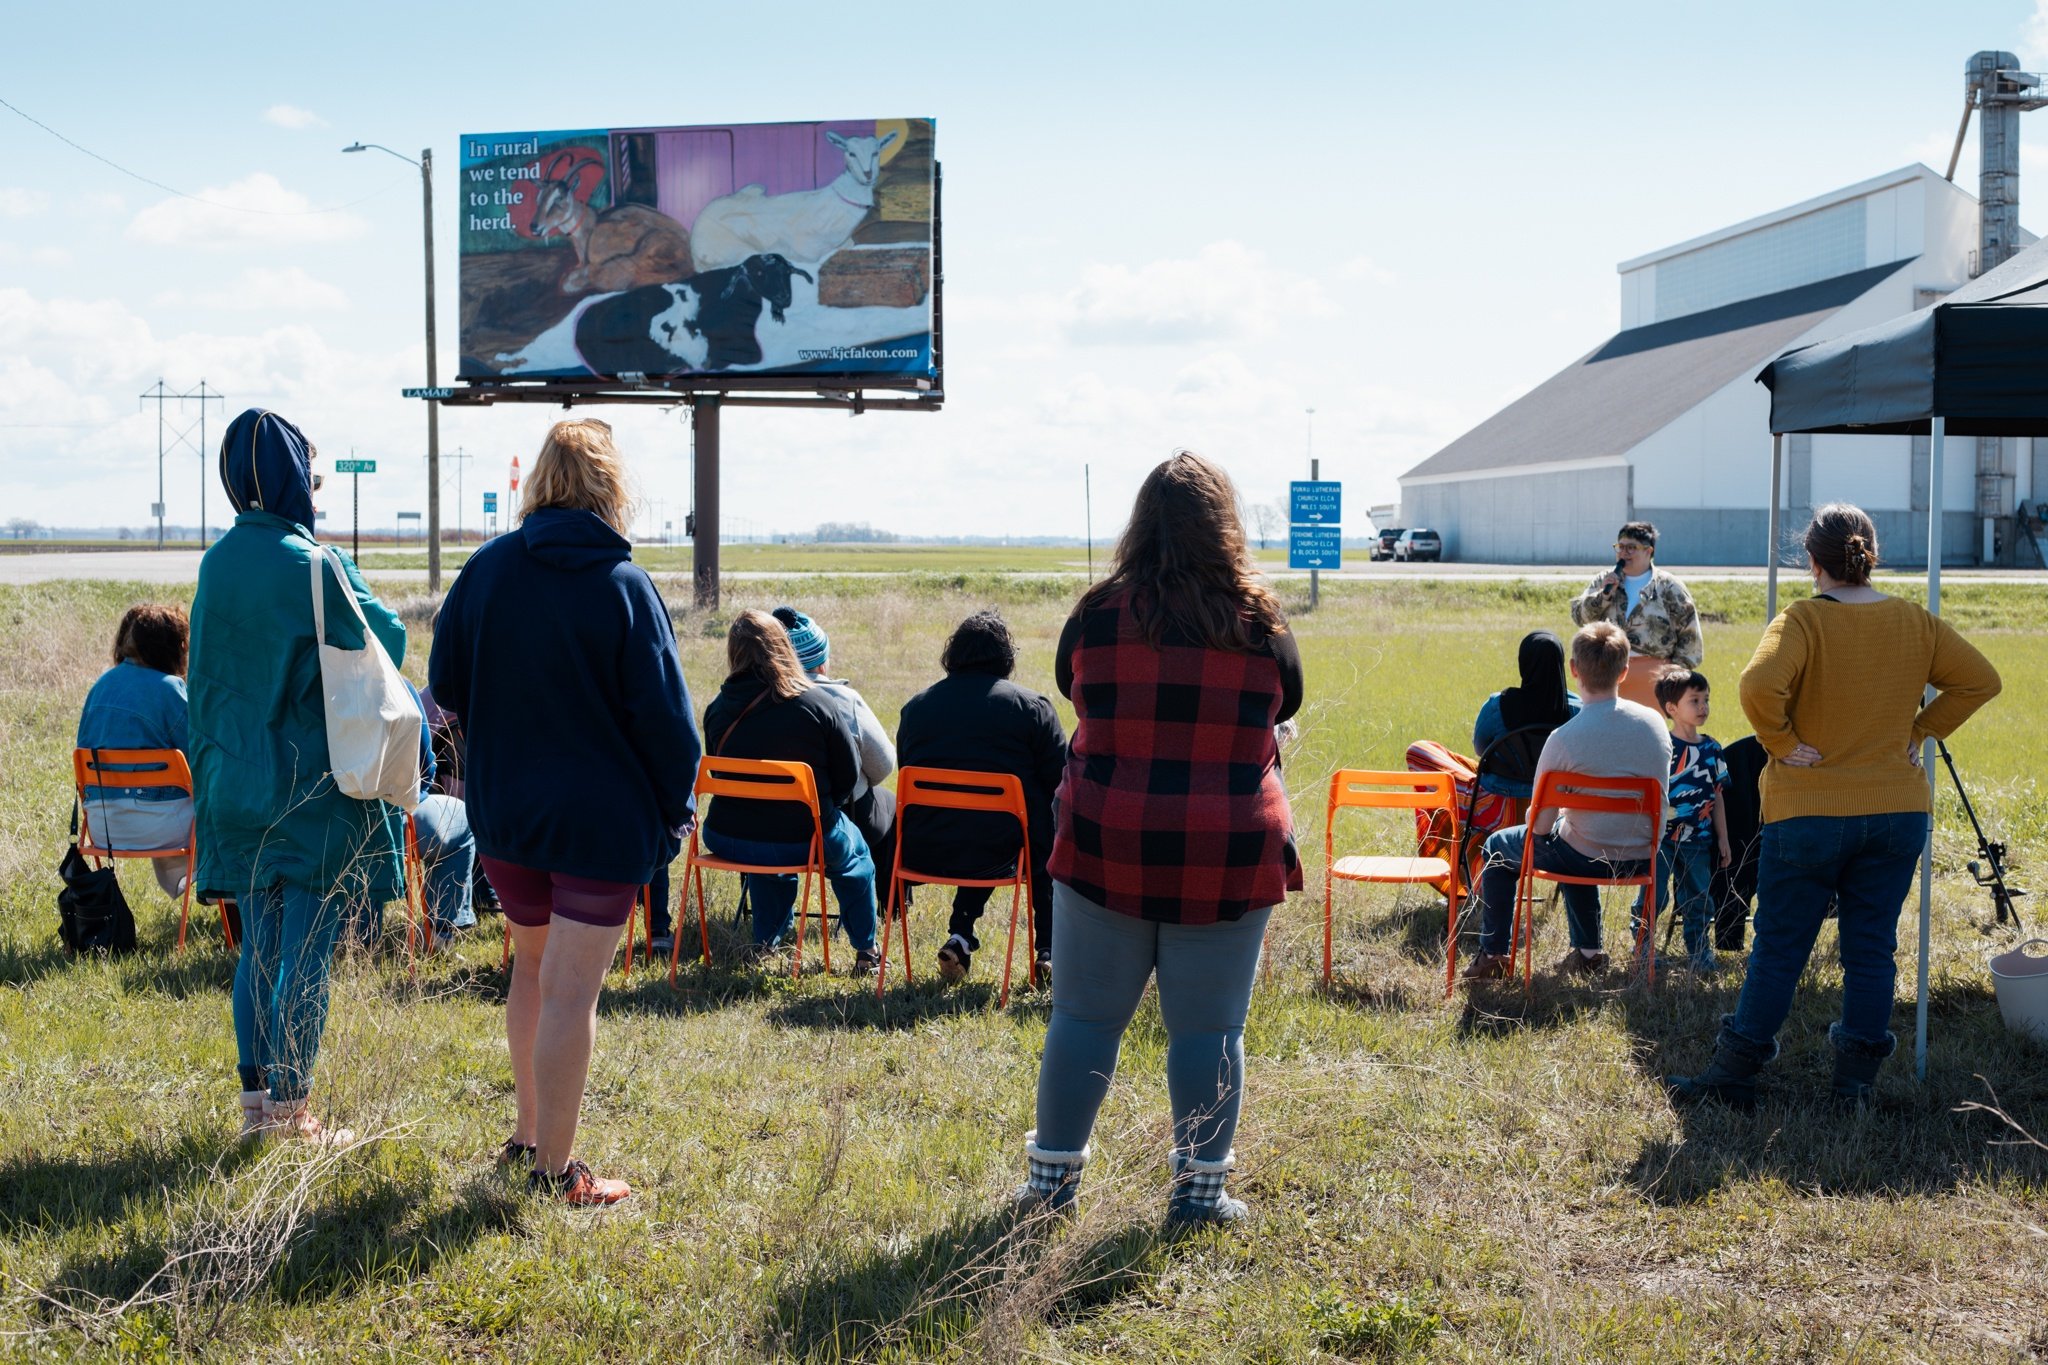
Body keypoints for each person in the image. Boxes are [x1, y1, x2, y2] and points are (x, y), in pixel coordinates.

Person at [1019, 451, 1302, 1227]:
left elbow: (1069, 680)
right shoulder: (1263, 622)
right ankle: (1198, 1196)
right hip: (1227, 844)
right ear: (1225, 526)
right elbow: (1289, 701)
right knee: (1210, 1029)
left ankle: (1050, 1190)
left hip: (1109, 835)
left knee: (1083, 1016)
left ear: (1140, 525)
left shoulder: (1097, 611)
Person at [430, 418, 701, 1205]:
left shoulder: (485, 569)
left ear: (539, 481)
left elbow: (445, 685)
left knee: (533, 969)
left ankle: (526, 1134)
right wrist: (675, 812)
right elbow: (670, 724)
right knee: (573, 993)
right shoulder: (626, 584)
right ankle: (556, 1170)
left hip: (508, 814)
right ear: (613, 488)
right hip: (600, 825)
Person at [1669, 504, 2000, 1109]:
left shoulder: (1801, 620)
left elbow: (1755, 686)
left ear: (1813, 563)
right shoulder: (1915, 623)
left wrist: (1783, 744)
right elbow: (1981, 680)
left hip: (1809, 810)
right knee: (1871, 950)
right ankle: (1853, 1090)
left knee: (1778, 948)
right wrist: (1920, 731)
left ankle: (1733, 1076)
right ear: (1870, 555)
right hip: (1897, 810)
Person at [190, 409, 406, 1146]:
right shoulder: (317, 563)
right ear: (292, 481)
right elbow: (391, 641)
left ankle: (256, 1109)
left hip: (232, 784)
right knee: (307, 951)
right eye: (311, 476)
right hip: (310, 787)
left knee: (257, 948)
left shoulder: (215, 564)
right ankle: (294, 1112)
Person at [1460, 622, 1672, 982]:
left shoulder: (1564, 738)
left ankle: (1495, 954)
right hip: (1644, 855)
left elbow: (1540, 826)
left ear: (1574, 669)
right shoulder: (1654, 724)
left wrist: (1538, 814)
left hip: (1585, 855)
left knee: (1509, 844)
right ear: (1623, 671)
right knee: (1573, 831)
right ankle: (1588, 953)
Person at [700, 610, 880, 972]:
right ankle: (867, 952)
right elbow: (846, 778)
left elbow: (718, 767)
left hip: (726, 835)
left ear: (733, 653)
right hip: (805, 836)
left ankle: (765, 944)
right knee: (857, 859)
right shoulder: (817, 705)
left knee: (770, 859)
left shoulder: (717, 710)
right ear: (784, 648)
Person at [894, 609, 1067, 985]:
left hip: (925, 848)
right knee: (1038, 826)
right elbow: (1061, 783)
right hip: (1004, 847)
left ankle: (961, 936)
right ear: (1006, 657)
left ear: (953, 655)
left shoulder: (915, 709)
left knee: (988, 821)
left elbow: (905, 771)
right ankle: (1050, 950)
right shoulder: (1032, 708)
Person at [773, 605, 898, 916]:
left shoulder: (758, 699)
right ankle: (890, 907)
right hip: (837, 821)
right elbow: (882, 765)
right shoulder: (844, 700)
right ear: (822, 663)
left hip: (765, 822)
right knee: (891, 804)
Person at [74, 604, 194, 899]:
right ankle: (232, 901)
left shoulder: (99, 688)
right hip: (165, 828)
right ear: (172, 648)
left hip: (102, 829)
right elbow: (201, 762)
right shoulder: (171, 688)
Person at [1638, 667, 1731, 975]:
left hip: (1698, 840)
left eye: (1706, 699)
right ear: (1672, 708)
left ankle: (1700, 954)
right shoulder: (1660, 747)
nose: (1703, 706)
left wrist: (1723, 838)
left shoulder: (1712, 749)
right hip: (1662, 838)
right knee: (1654, 895)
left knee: (1699, 898)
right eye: (1695, 700)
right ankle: (1643, 950)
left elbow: (1717, 796)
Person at [1569, 522, 1703, 710]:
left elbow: (1691, 637)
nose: (1624, 553)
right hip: (1605, 675)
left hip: (1654, 680)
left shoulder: (1669, 587)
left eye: (1631, 548)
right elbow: (1580, 618)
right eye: (1620, 547)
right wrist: (1604, 595)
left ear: (1649, 551)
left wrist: (1672, 676)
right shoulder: (1603, 580)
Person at [1470, 629, 1581, 800]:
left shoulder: (1497, 705)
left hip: (1500, 796)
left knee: (1423, 750)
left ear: (1524, 662)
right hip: (1555, 800)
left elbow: (1479, 748)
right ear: (1560, 662)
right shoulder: (1577, 710)